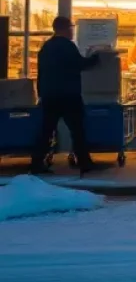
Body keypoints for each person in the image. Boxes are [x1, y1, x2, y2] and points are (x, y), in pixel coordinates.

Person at [30, 16, 109, 176]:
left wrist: (41, 94)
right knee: (77, 129)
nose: (72, 31)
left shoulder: (46, 47)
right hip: (68, 95)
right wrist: (96, 58)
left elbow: (41, 73)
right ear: (66, 29)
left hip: (50, 95)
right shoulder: (67, 46)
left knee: (46, 130)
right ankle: (84, 162)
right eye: (71, 28)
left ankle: (36, 163)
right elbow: (79, 64)